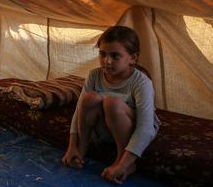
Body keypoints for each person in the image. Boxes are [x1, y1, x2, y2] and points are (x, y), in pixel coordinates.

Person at [61, 26, 160, 184]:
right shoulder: (94, 75)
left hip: (131, 130)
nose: (107, 61)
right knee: (89, 98)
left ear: (133, 58)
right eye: (102, 54)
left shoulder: (141, 82)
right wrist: (72, 146)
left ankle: (123, 161)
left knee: (112, 103)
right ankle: (82, 150)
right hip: (105, 127)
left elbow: (146, 127)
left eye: (115, 56)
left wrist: (123, 165)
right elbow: (79, 110)